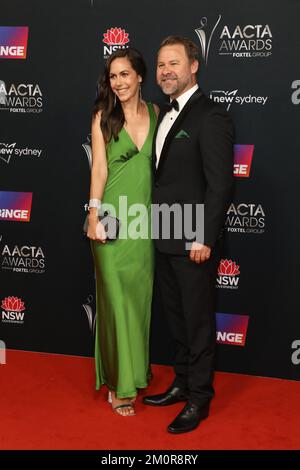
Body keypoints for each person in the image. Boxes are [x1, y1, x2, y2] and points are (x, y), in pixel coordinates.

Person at [143, 36, 234, 433]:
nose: (166, 71)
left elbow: (220, 185)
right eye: (161, 65)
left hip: (193, 239)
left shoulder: (210, 116)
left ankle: (199, 398)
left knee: (197, 322)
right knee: (176, 318)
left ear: (193, 66)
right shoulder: (163, 112)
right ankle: (181, 382)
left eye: (174, 63)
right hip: (163, 233)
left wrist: (204, 236)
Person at [87, 48, 158, 416]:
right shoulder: (103, 117)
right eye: (113, 77)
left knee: (137, 303)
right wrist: (93, 213)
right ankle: (120, 385)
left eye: (125, 74)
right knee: (115, 305)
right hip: (111, 222)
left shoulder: (159, 115)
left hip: (144, 224)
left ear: (140, 76)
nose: (119, 82)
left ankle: (134, 371)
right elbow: (98, 169)